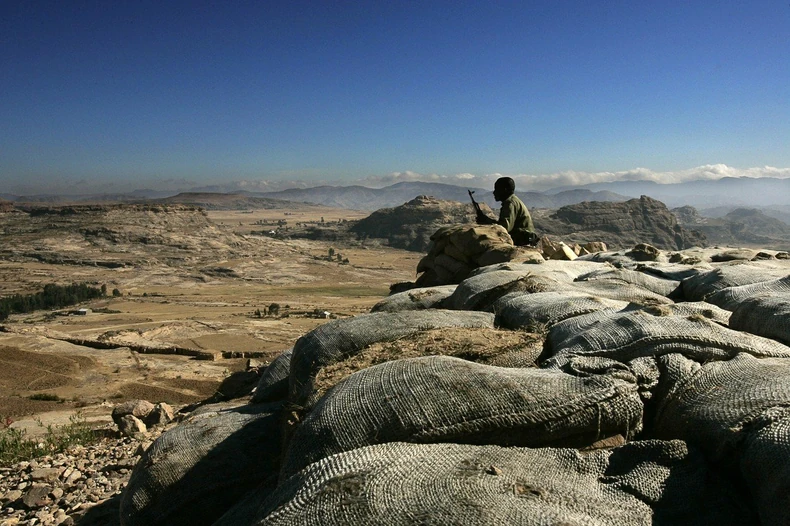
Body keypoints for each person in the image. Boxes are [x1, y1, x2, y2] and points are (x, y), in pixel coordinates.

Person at [475, 177, 537, 246]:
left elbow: (504, 228)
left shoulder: (510, 203)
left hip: (523, 239)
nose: (494, 192)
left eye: (497, 189)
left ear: (505, 190)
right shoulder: (513, 200)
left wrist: (487, 221)